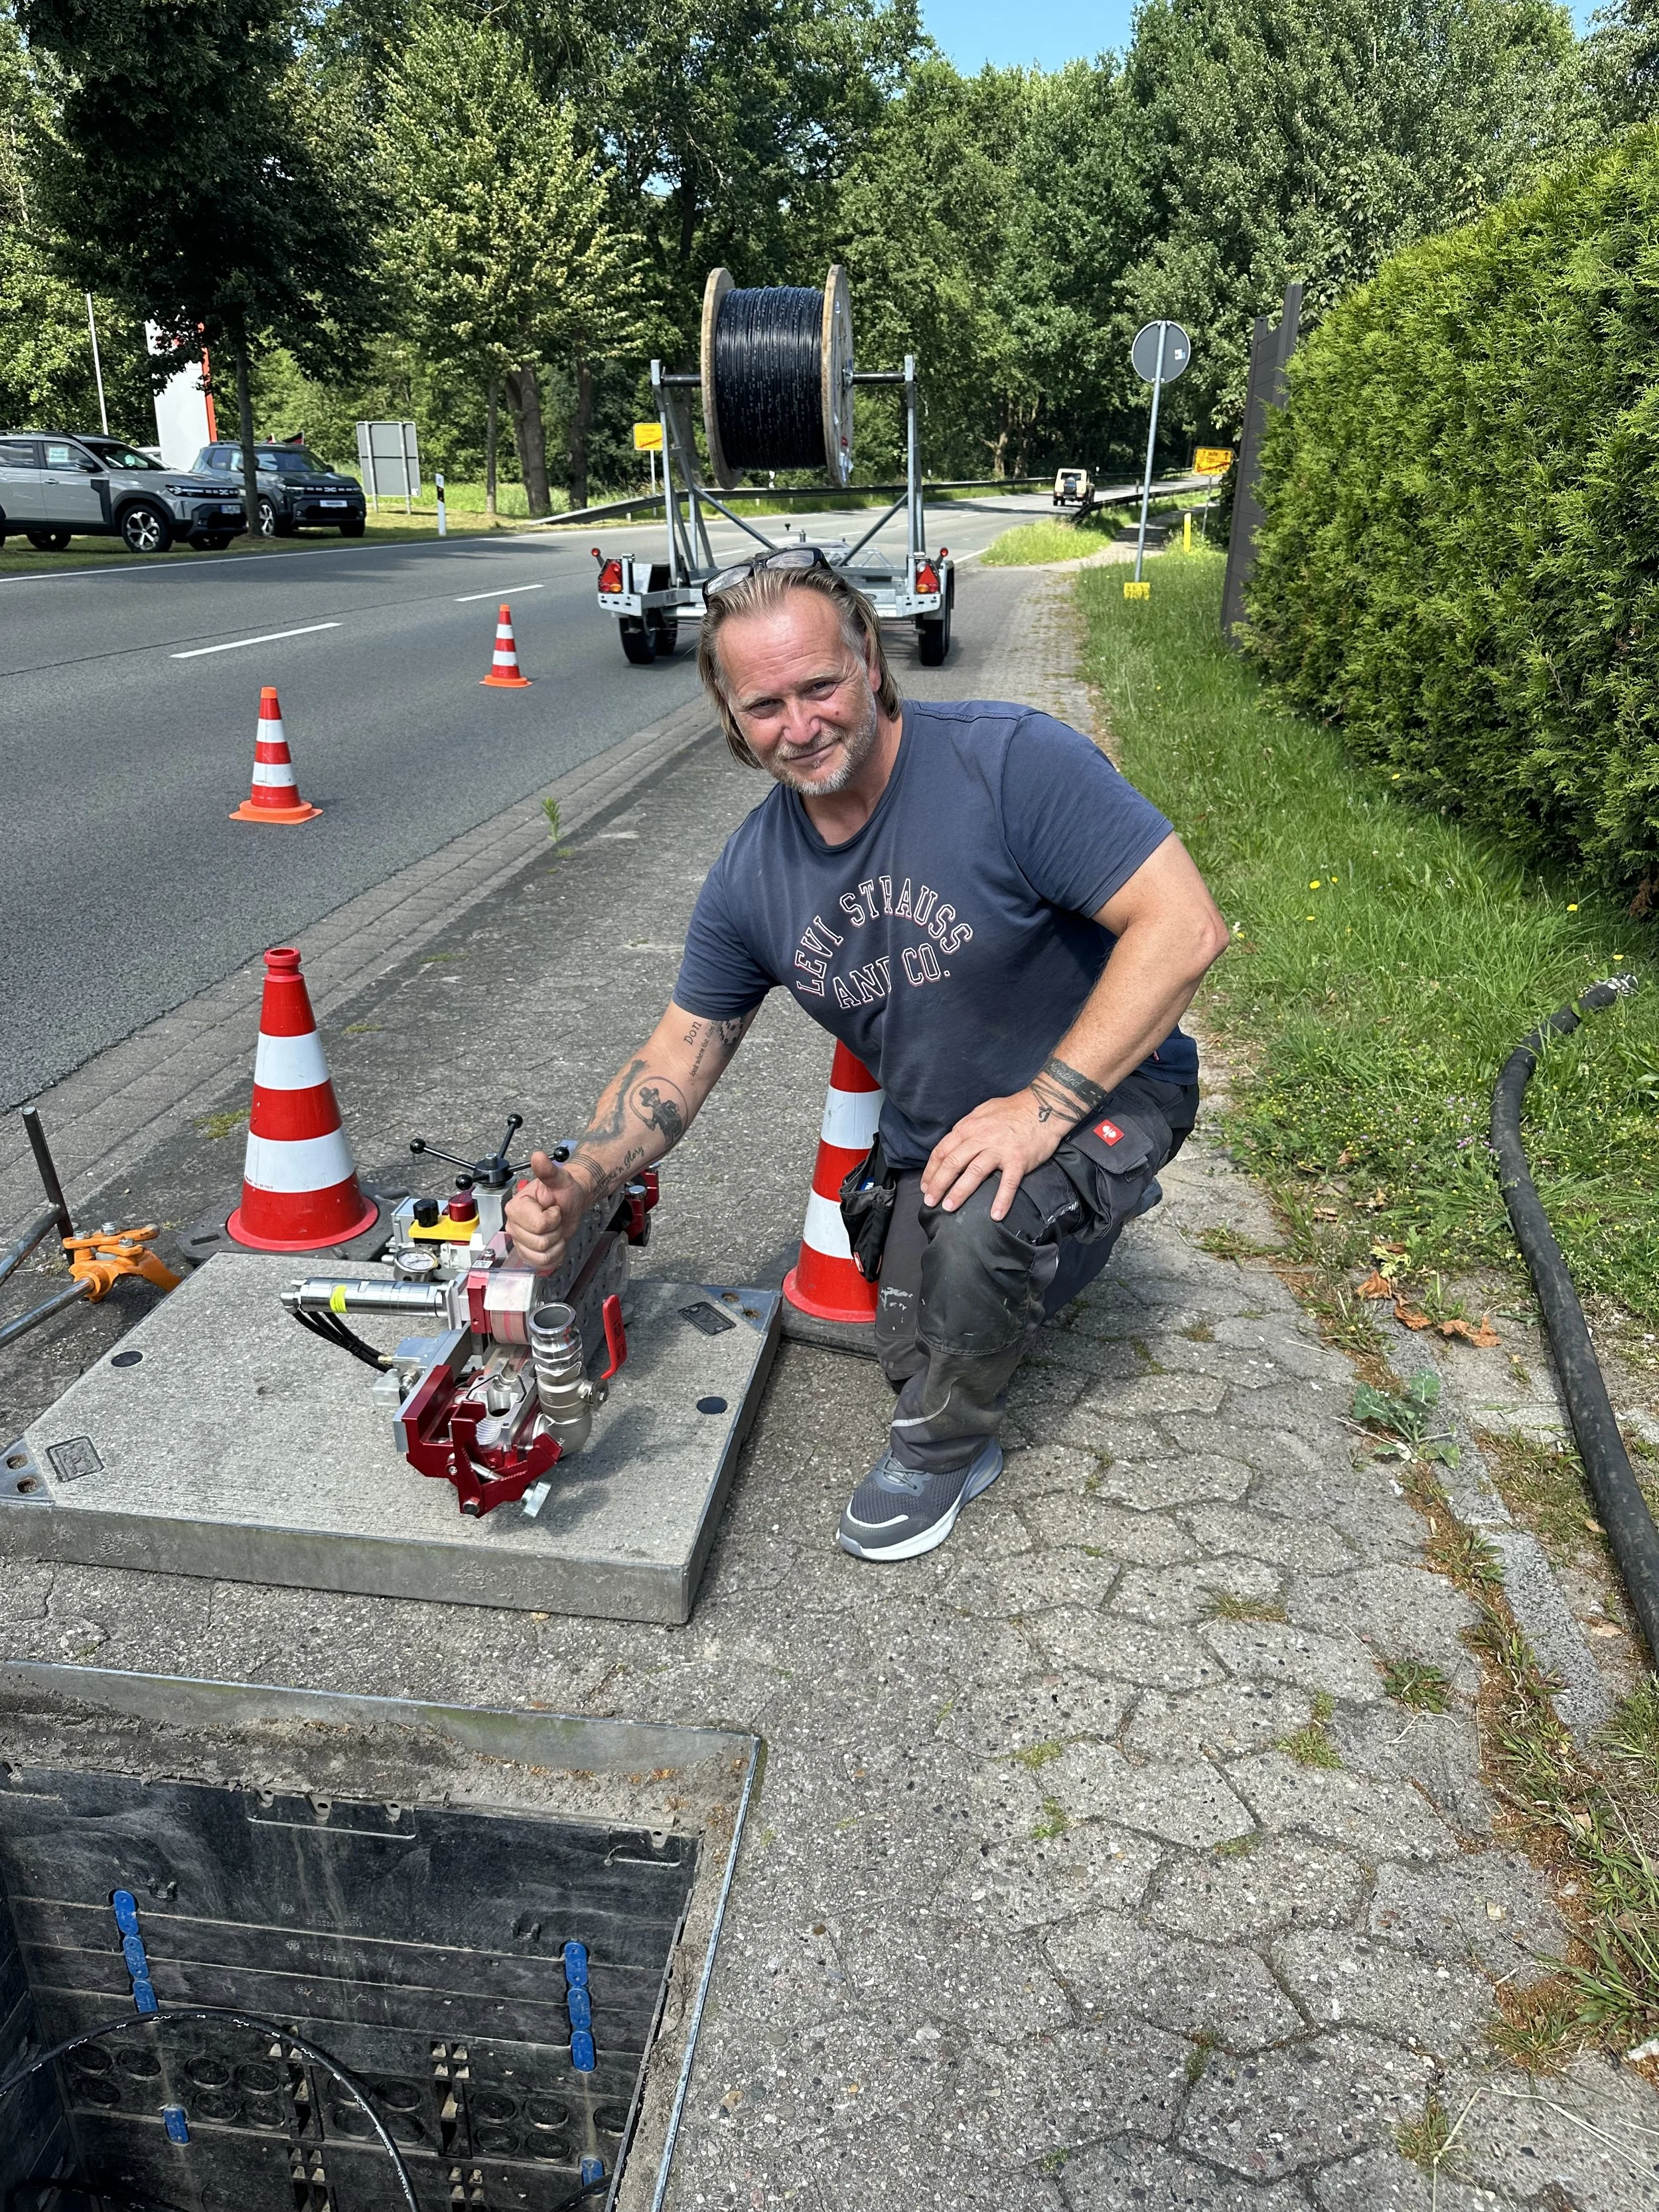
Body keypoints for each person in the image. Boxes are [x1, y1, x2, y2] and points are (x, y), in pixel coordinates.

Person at [506, 548, 1230, 1561]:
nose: (800, 726)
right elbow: (678, 1054)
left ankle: (944, 1456)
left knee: (982, 1237)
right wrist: (581, 1180)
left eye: (821, 687)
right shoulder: (752, 879)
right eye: (765, 706)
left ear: (872, 665)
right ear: (732, 720)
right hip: (944, 1127)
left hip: (1115, 1088)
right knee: (913, 1338)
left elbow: (1185, 927)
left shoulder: (1009, 762)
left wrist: (1041, 1109)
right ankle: (1051, 1245)